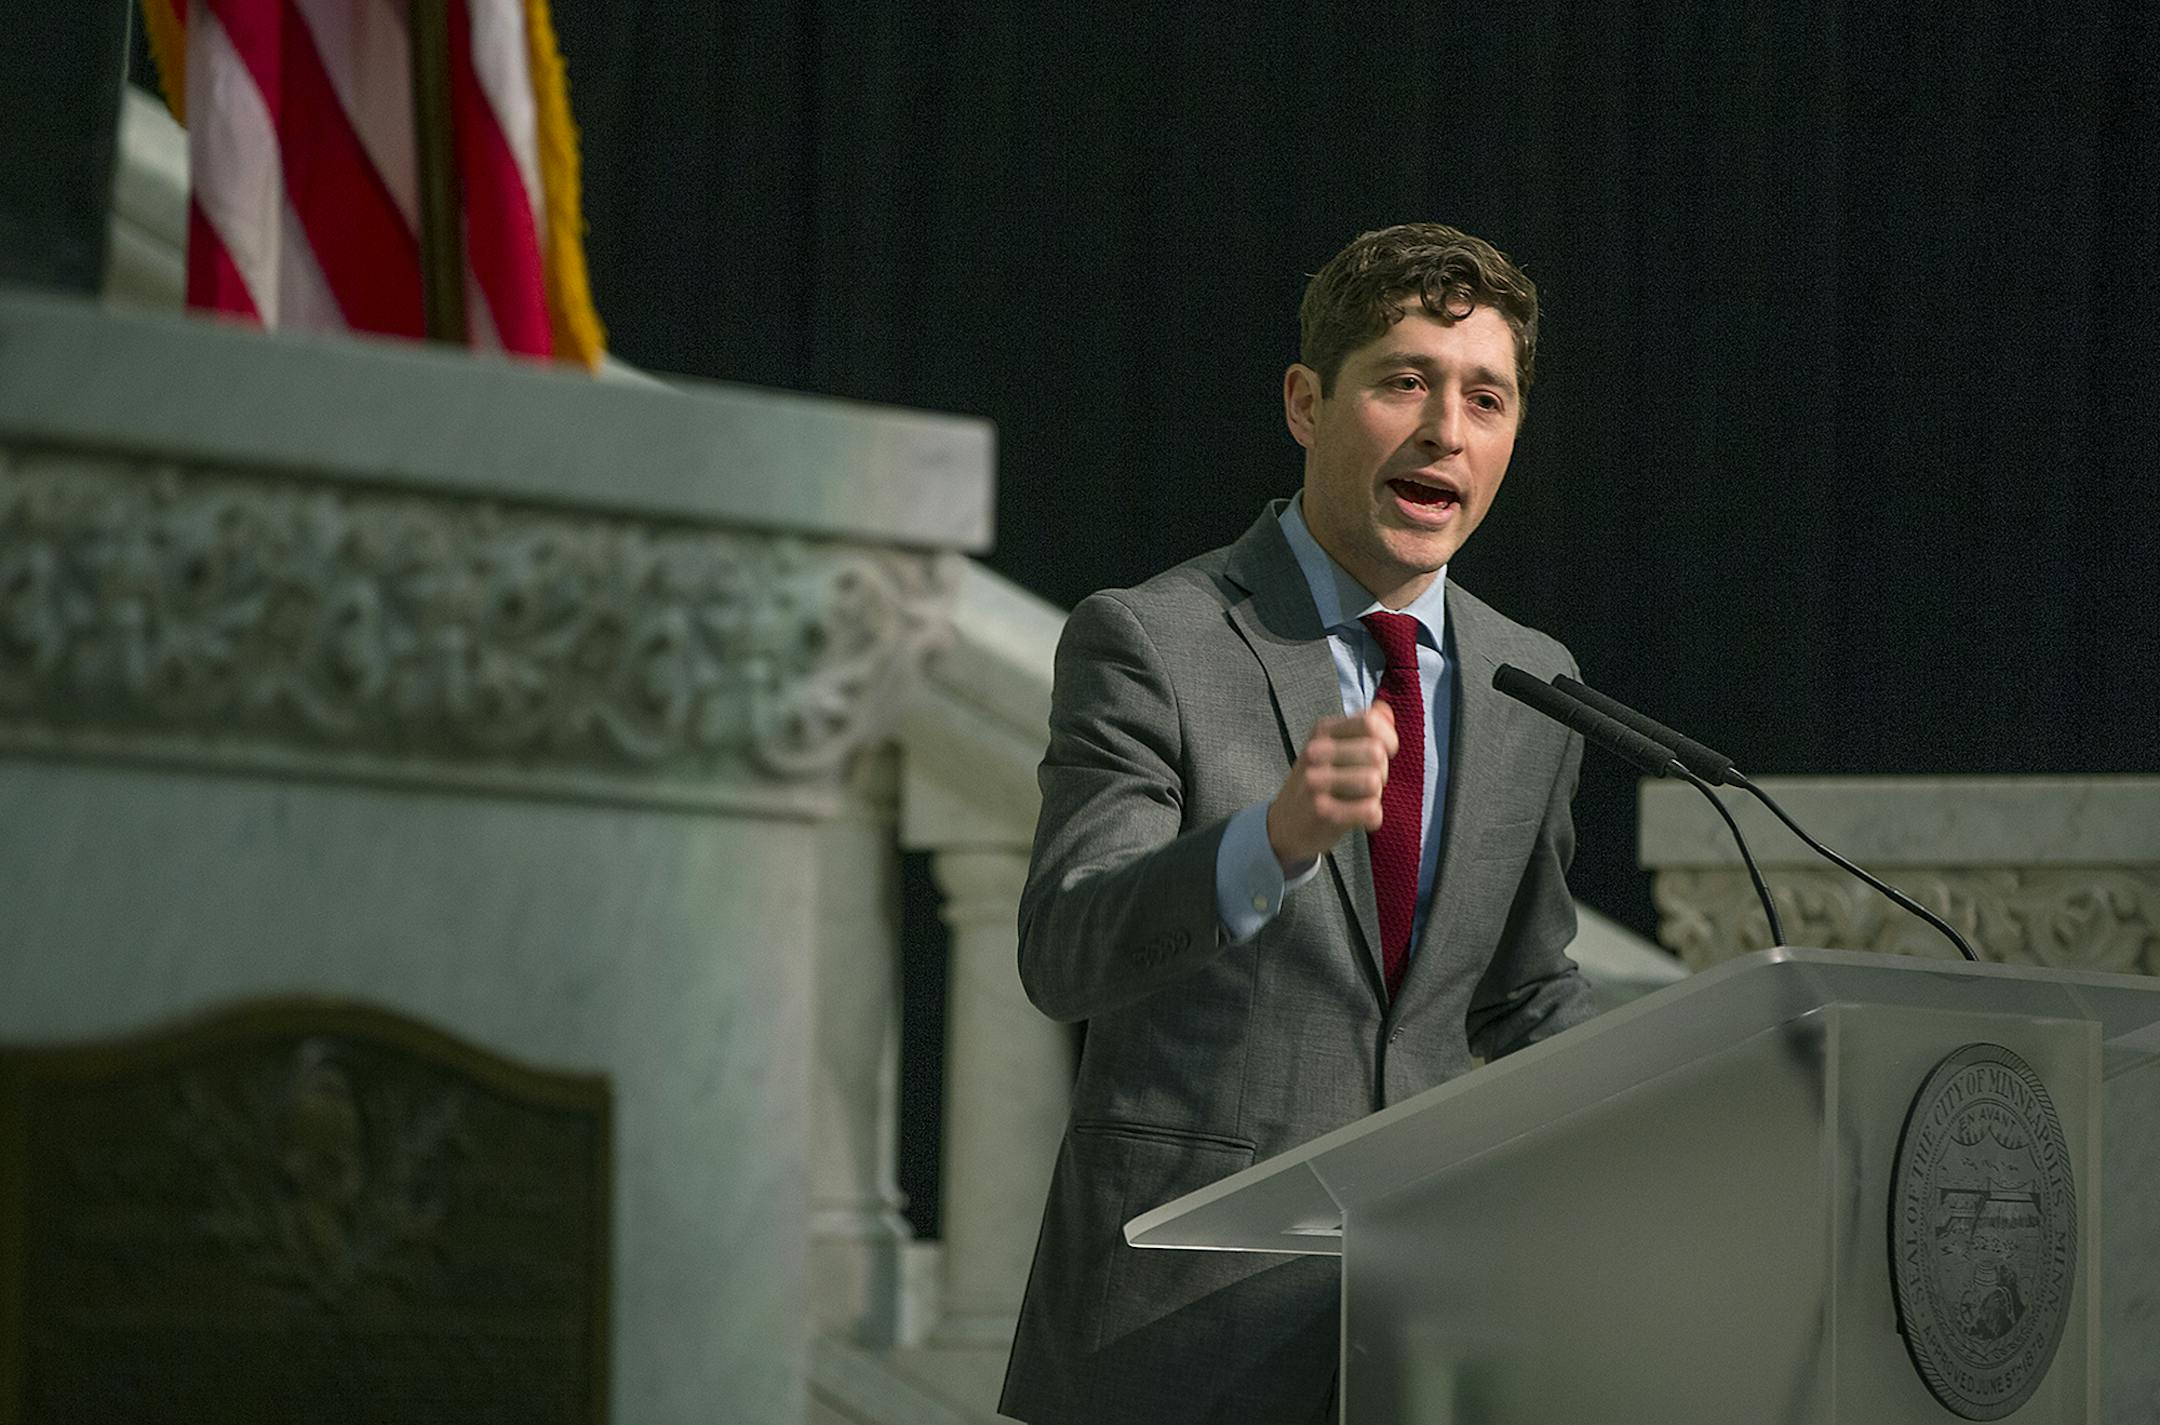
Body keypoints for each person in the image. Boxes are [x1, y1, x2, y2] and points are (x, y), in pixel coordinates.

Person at [997, 223, 1599, 1425]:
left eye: (1487, 397)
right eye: (1404, 382)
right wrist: (1263, 845)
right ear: (1306, 404)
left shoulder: (1533, 684)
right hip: (1174, 1341)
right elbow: (1064, 950)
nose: (1446, 430)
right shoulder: (1153, 640)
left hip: (1423, 1341)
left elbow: (1524, 998)